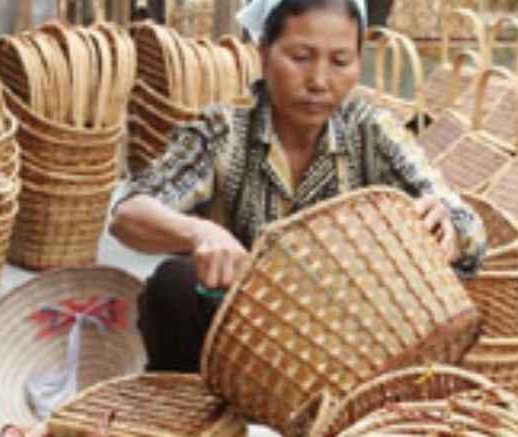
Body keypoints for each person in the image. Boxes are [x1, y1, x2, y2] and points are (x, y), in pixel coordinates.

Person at [109, 0, 488, 375]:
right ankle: (193, 424)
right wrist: (198, 231)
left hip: (345, 343)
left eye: (340, 62)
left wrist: (447, 228)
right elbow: (129, 212)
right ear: (263, 52)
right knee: (173, 284)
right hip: (235, 338)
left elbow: (466, 223)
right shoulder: (224, 129)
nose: (319, 81)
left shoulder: (371, 130)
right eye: (301, 57)